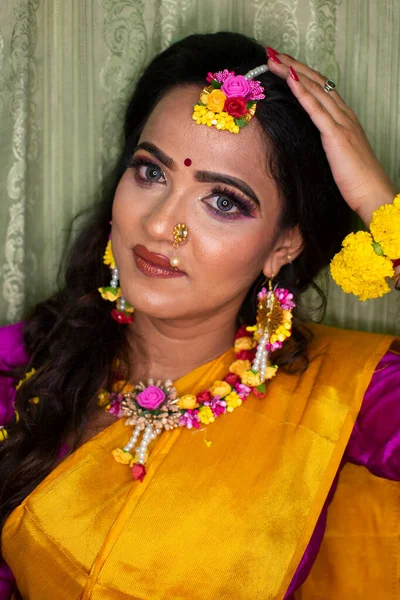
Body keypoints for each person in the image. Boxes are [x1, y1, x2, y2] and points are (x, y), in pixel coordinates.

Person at [0, 31, 399, 600]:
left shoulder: (343, 396)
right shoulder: (26, 363)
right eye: (150, 172)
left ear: (283, 245)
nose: (162, 225)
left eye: (224, 202)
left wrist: (381, 208)